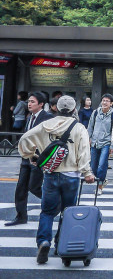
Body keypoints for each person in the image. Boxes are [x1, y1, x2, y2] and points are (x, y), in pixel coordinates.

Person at [18, 95, 95, 264]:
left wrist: (31, 155)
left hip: (51, 173)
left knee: (46, 211)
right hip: (72, 176)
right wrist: (87, 173)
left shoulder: (45, 125)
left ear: (56, 108)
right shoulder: (79, 127)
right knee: (67, 213)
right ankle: (61, 244)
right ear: (74, 110)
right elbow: (84, 152)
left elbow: (24, 139)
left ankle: (43, 241)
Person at [6, 92, 53, 227]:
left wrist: (43, 157)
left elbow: (50, 139)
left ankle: (55, 204)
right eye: (29, 101)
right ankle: (21, 216)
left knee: (34, 187)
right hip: (26, 158)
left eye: (32, 101)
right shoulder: (29, 117)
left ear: (41, 104)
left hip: (38, 159)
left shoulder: (47, 118)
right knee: (21, 188)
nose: (29, 104)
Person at [87, 93, 113, 194]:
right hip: (94, 142)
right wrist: (88, 138)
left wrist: (112, 145)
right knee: (93, 166)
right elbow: (90, 126)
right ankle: (102, 180)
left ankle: (100, 186)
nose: (104, 102)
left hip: (106, 142)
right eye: (103, 100)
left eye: (107, 101)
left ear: (111, 103)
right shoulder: (95, 112)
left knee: (102, 165)